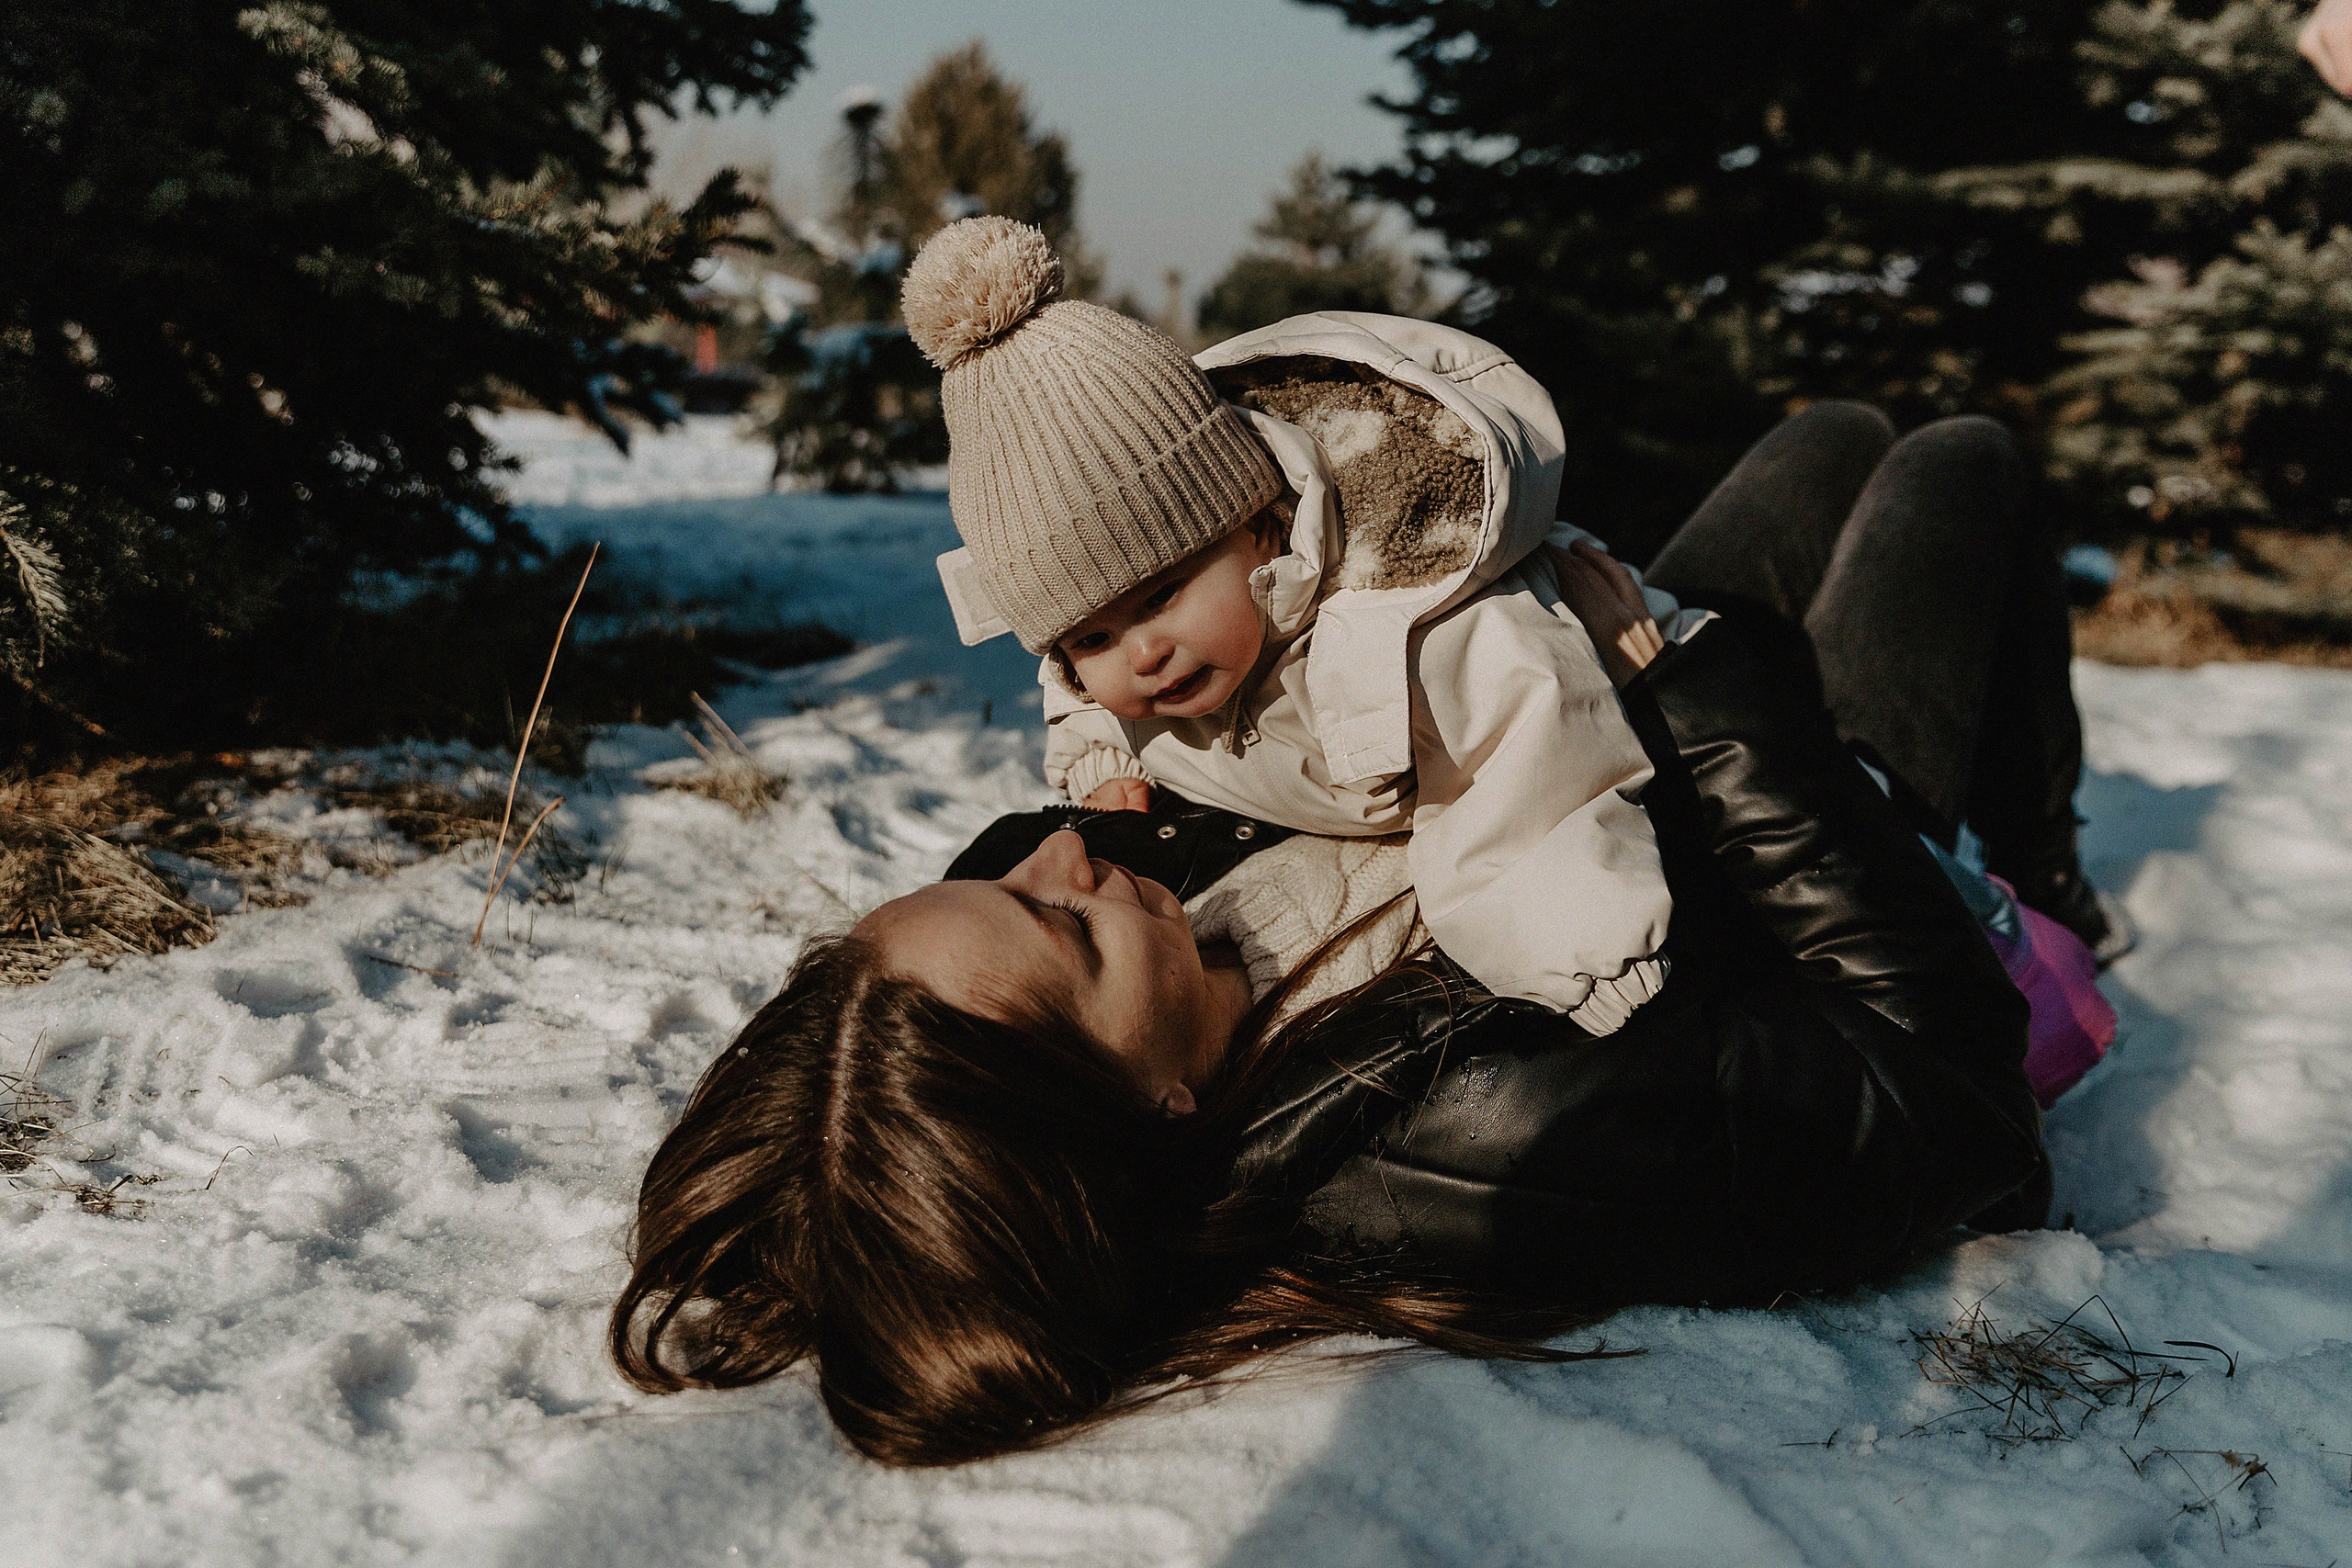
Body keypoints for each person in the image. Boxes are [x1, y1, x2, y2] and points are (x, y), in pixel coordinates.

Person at [610, 400, 2106, 1468]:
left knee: (1830, 435)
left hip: (1601, 714)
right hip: (1816, 838)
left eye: (1006, 882)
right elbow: (1955, 1104)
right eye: (1061, 928)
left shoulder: (1115, 939)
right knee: (1962, 464)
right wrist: (1689, 679)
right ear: (1149, 1107)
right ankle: (2043, 868)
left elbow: (1035, 876)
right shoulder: (1488, 1130)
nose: (1064, 856)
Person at [907, 215, 1707, 1034]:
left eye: (1161, 597)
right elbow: (1078, 698)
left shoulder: (1417, 633)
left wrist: (1578, 948)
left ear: (1260, 525)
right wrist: (1102, 759)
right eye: (1092, 637)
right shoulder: (1138, 674)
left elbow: (1527, 769)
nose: (1143, 654)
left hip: (1664, 665)